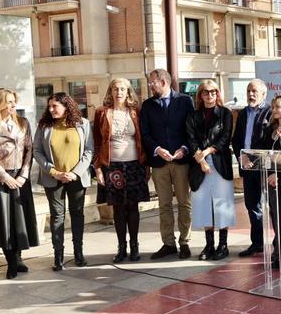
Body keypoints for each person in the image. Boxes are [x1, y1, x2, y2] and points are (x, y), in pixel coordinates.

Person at [0, 88, 38, 279]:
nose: (14, 105)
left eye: (14, 101)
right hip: (0, 179)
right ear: (0, 103)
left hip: (21, 178)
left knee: (20, 219)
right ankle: (11, 262)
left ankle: (19, 258)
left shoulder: (23, 123)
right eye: (10, 102)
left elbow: (30, 150)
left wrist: (23, 176)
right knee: (4, 221)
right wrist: (5, 177)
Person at [33, 92, 94, 271]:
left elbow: (89, 151)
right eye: (49, 107)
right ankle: (58, 257)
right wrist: (53, 171)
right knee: (57, 217)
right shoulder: (44, 125)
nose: (51, 110)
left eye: (55, 106)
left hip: (77, 178)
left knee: (77, 214)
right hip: (53, 179)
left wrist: (75, 173)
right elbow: (37, 151)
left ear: (66, 106)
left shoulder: (82, 124)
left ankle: (78, 254)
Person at [139, 69, 194, 260]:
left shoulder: (185, 101)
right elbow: (145, 133)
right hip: (159, 162)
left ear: (163, 82)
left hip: (181, 161)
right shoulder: (147, 105)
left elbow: (191, 131)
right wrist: (157, 149)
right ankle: (168, 243)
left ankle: (185, 242)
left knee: (184, 203)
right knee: (164, 205)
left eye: (152, 82)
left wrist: (184, 149)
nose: (150, 86)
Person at [93, 78, 149, 264]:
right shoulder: (102, 113)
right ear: (110, 91)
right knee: (117, 208)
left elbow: (143, 140)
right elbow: (97, 142)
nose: (119, 92)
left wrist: (146, 165)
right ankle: (121, 247)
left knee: (133, 207)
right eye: (115, 89)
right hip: (112, 166)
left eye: (123, 89)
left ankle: (134, 246)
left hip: (134, 164)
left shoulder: (136, 112)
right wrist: (98, 167)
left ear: (128, 92)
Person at [187, 79, 235, 260]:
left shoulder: (225, 114)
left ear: (218, 94)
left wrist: (207, 152)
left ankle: (223, 245)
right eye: (206, 92)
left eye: (213, 92)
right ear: (200, 95)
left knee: (222, 206)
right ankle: (209, 246)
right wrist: (201, 161)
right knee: (204, 206)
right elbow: (191, 140)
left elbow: (224, 138)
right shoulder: (193, 116)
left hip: (220, 163)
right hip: (199, 167)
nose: (210, 95)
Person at [255, 94, 281, 268]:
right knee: (276, 217)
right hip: (270, 179)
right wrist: (269, 173)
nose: (274, 110)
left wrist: (278, 174)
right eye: (273, 107)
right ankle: (278, 251)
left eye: (278, 107)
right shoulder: (269, 128)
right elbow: (263, 152)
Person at [232, 79, 272, 257]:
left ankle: (280, 246)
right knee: (252, 205)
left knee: (274, 206)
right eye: (248, 91)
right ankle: (257, 243)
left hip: (267, 168)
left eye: (255, 91)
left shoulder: (271, 112)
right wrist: (241, 156)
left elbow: (270, 141)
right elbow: (236, 139)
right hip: (247, 167)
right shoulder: (242, 113)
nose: (251, 94)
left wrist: (254, 157)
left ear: (264, 94)